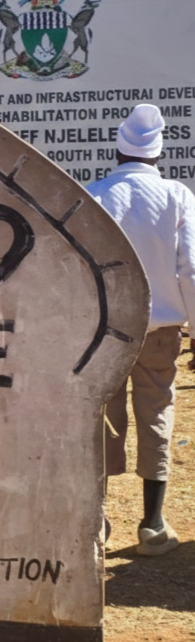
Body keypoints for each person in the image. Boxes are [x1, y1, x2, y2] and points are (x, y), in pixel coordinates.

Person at [88, 103, 195, 556]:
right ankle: (152, 526)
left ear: (118, 149)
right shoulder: (178, 196)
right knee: (156, 413)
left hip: (105, 329)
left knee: (101, 419)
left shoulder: (94, 194)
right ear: (157, 152)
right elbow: (190, 268)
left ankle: (99, 522)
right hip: (160, 331)